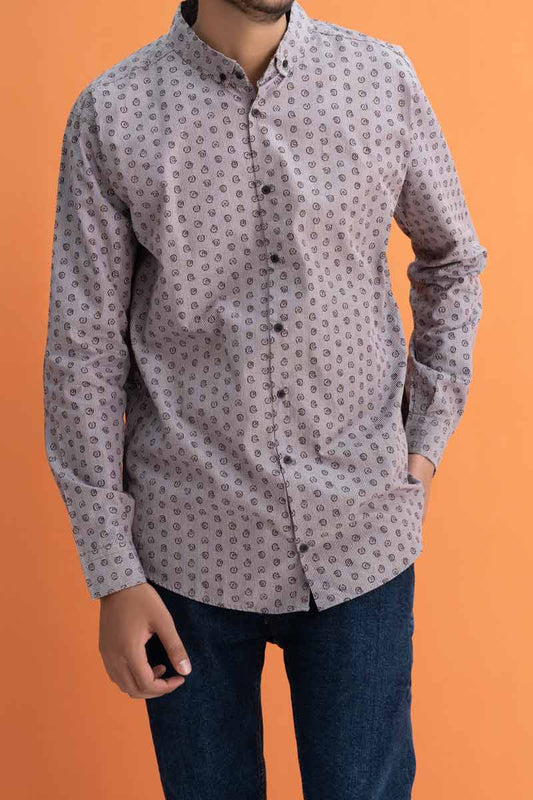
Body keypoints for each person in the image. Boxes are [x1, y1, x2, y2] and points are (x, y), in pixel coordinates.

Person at [42, 1, 487, 798]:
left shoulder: (379, 78)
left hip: (361, 537)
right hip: (186, 558)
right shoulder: (113, 112)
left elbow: (451, 261)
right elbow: (83, 353)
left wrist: (425, 437)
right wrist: (111, 572)